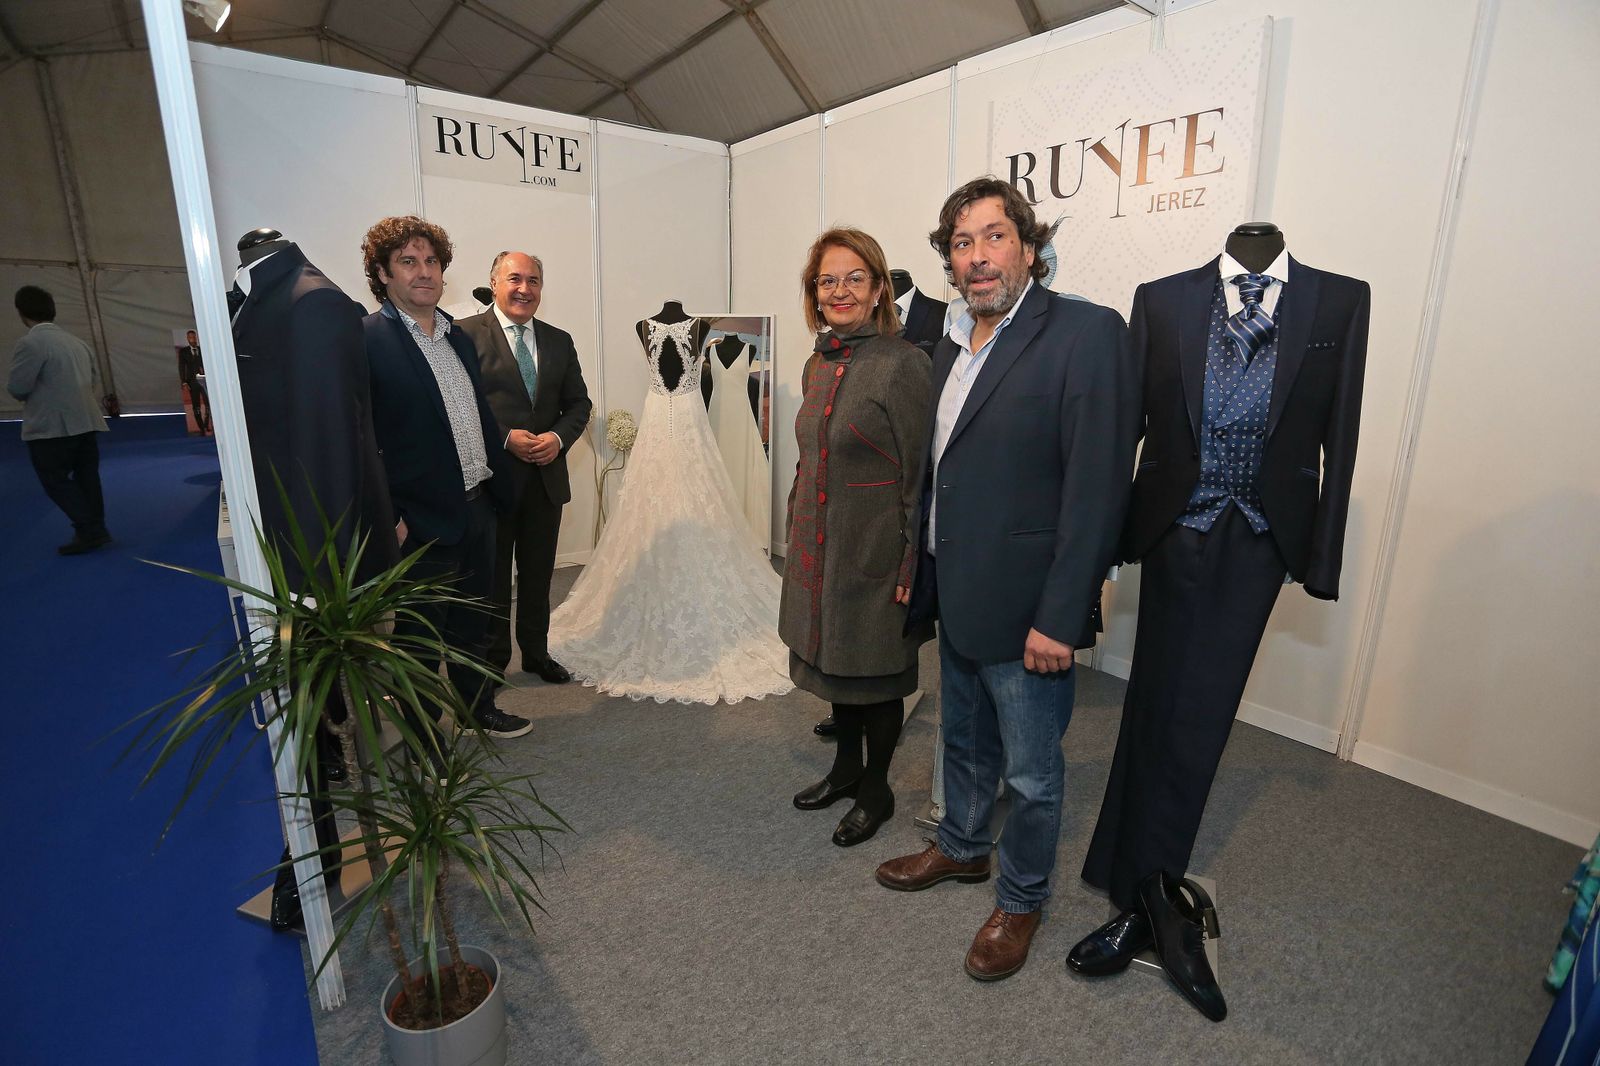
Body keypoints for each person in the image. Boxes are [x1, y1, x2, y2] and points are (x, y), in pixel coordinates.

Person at [1069, 228, 1369, 1022]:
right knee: (1153, 705)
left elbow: (1343, 434)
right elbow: (1128, 427)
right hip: (1173, 526)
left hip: (1261, 534)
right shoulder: (1163, 299)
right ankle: (1125, 874)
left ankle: (1152, 905)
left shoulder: (1340, 297)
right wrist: (1097, 550)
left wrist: (1324, 561)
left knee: (1198, 718)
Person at [874, 177, 1137, 981]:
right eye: (961, 242)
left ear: (1029, 247)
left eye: (994, 237)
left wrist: (1063, 614)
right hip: (958, 589)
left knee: (1031, 771)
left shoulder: (1086, 333)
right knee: (963, 737)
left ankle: (1021, 898)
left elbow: (1097, 489)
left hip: (1031, 608)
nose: (978, 256)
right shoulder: (954, 340)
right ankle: (961, 848)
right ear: (948, 261)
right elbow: (945, 469)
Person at [545, 299, 791, 705]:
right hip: (658, 419)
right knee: (649, 499)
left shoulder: (699, 326)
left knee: (701, 494)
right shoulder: (644, 325)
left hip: (692, 419)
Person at [781, 228, 933, 847]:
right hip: (821, 541)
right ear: (814, 294)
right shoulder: (818, 361)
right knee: (836, 664)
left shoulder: (904, 364)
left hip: (874, 548)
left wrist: (907, 566)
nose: (839, 291)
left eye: (853, 279)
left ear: (878, 290)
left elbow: (920, 477)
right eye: (827, 281)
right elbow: (811, 455)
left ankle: (877, 788)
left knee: (876, 673)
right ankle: (844, 769)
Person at [359, 216, 529, 740]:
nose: (424, 272)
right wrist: (391, 520)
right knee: (418, 635)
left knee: (473, 623)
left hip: (479, 505)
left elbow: (476, 413)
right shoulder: (368, 340)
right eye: (408, 262)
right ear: (383, 274)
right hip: (421, 518)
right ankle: (420, 731)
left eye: (431, 261)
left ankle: (478, 708)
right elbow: (363, 442)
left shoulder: (456, 337)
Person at [457, 252, 592, 688]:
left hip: (545, 483)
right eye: (514, 279)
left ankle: (536, 654)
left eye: (534, 280)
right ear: (494, 283)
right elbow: (460, 406)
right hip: (491, 484)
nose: (524, 289)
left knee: (537, 578)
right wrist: (502, 438)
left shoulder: (559, 340)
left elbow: (578, 405)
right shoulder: (463, 335)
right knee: (493, 581)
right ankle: (492, 662)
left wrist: (555, 439)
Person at [8, 285, 111, 555]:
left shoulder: (30, 343)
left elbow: (18, 387)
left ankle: (88, 527)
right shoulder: (78, 342)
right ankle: (96, 527)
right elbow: (92, 381)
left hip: (52, 427)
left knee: (55, 480)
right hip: (86, 421)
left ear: (22, 312)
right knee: (88, 477)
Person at [178, 328, 211, 434]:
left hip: (205, 381)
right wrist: (184, 382)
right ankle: (201, 428)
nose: (192, 339)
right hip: (192, 382)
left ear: (196, 337)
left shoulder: (202, 350)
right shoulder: (183, 352)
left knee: (208, 404)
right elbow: (182, 367)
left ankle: (207, 424)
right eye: (190, 337)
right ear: (187, 339)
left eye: (193, 337)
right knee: (196, 406)